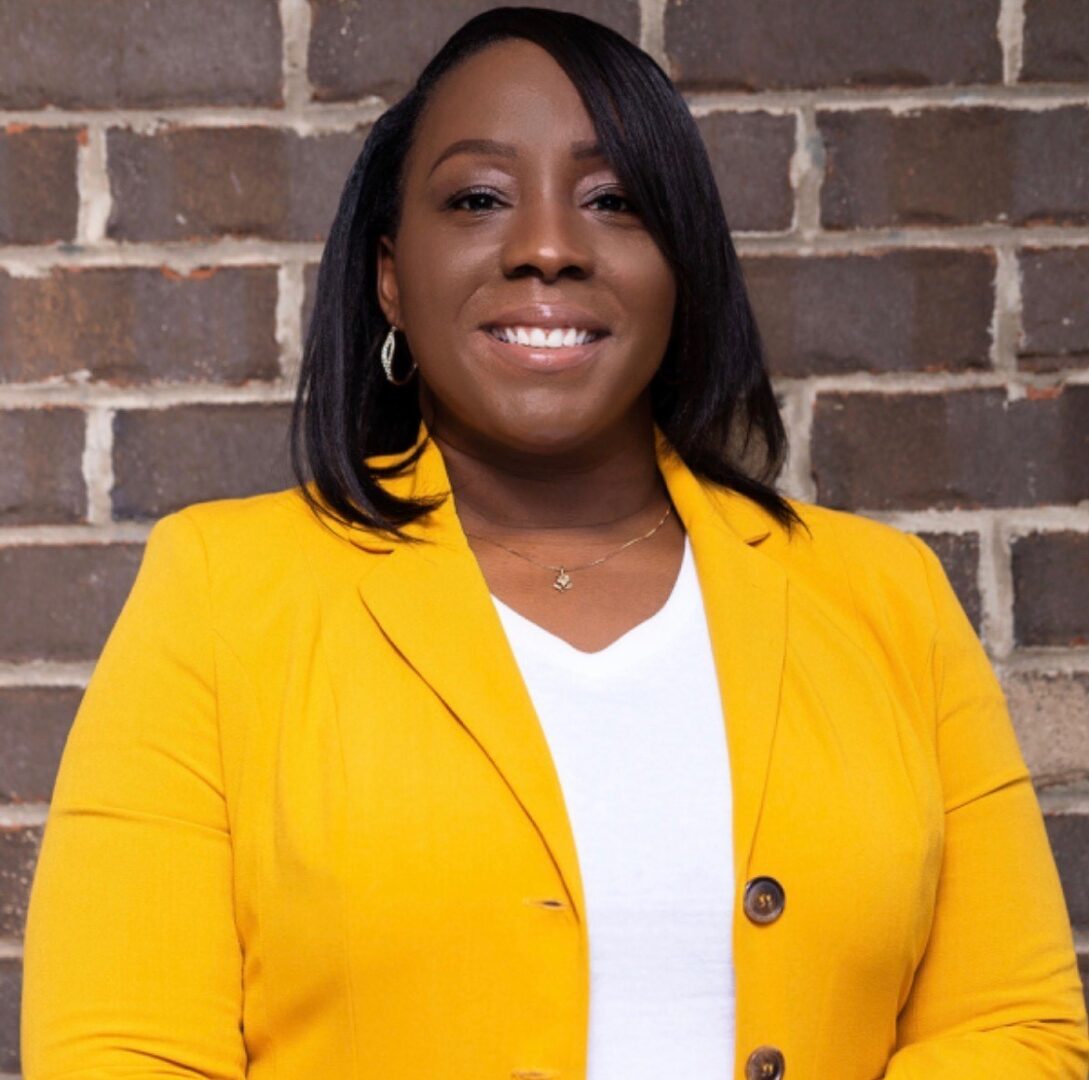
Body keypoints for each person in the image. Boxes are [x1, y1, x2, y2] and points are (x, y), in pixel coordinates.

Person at [20, 7, 1088, 1079]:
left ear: (681, 265)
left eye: (612, 201)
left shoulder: (885, 598)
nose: (545, 247)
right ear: (392, 274)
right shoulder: (220, 595)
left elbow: (1015, 1027)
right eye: (479, 199)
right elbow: (121, 1052)